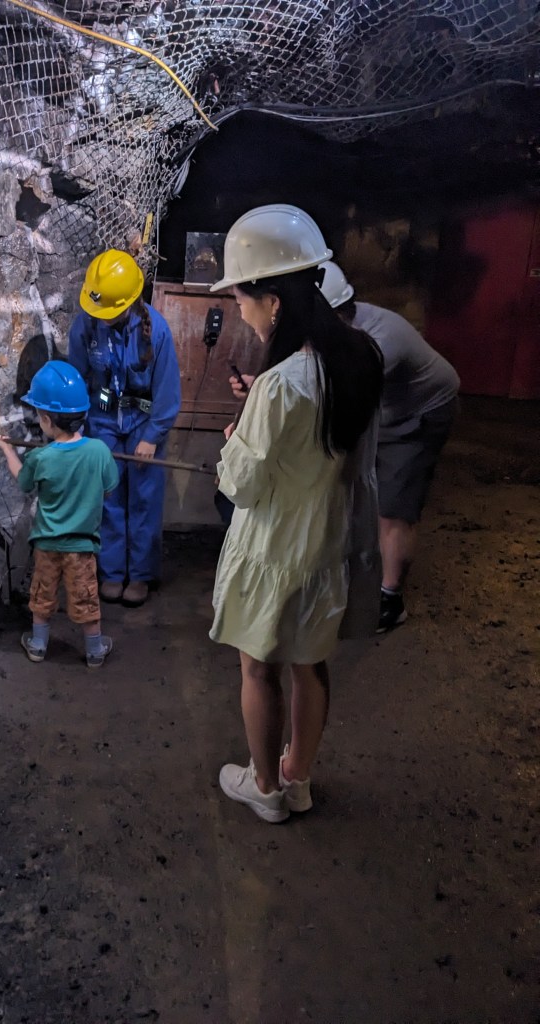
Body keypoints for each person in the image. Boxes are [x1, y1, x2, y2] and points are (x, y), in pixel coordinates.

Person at [210, 204, 384, 823]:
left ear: (274, 299)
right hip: (324, 548)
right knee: (311, 666)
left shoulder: (281, 382)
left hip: (273, 549)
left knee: (258, 667)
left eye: (242, 298)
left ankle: (264, 788)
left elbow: (243, 487)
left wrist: (234, 438)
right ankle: (298, 778)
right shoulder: (356, 359)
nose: (239, 309)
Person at [318, 261, 460, 631]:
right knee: (361, 489)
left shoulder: (381, 341)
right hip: (384, 411)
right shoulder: (341, 328)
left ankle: (391, 600)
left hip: (421, 412)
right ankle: (361, 574)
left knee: (394, 508)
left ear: (334, 312)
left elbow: (337, 395)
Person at [68, 250, 181, 607]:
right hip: (102, 422)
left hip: (143, 424)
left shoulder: (156, 331)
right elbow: (78, 377)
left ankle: (142, 575)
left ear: (129, 302)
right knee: (109, 498)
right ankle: (113, 573)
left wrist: (152, 437)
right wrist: (77, 429)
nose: (102, 318)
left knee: (144, 500)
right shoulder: (85, 326)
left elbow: (166, 390)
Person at [0, 360, 119, 668]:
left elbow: (23, 482)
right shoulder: (100, 452)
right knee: (86, 597)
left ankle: (38, 645)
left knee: (42, 595)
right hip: (82, 547)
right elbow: (108, 490)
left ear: (47, 419)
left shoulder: (41, 457)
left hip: (47, 546)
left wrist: (7, 449)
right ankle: (94, 651)